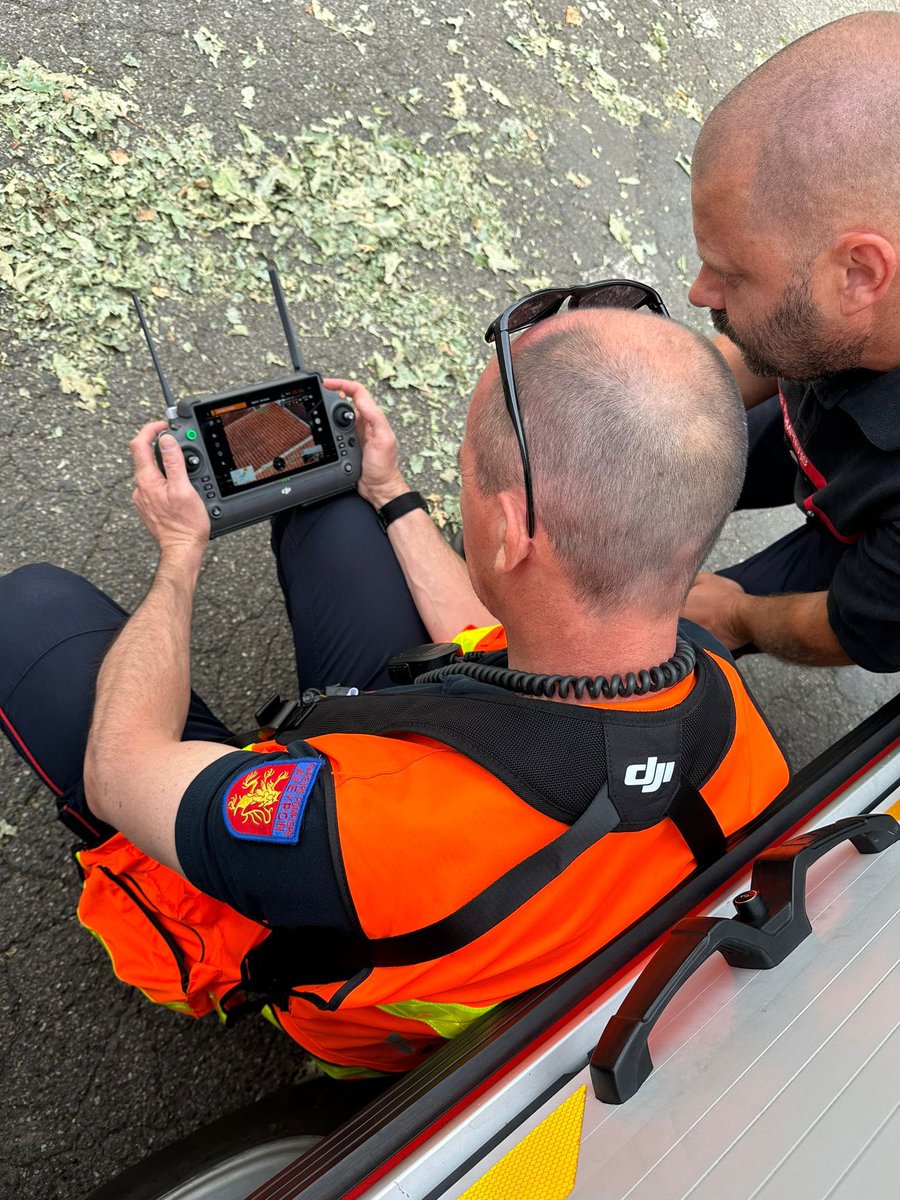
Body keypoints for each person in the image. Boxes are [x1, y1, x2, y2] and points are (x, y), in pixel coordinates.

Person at [0, 288, 789, 1077]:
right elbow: (494, 633)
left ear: (512, 531)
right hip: (470, 860)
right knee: (337, 509)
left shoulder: (349, 826)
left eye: (468, 473)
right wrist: (390, 492)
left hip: (344, 925)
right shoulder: (720, 700)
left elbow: (120, 772)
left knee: (30, 609)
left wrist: (178, 555)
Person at [681, 11, 900, 672]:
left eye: (732, 274)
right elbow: (766, 342)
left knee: (683, 633)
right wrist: (670, 401)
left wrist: (737, 612)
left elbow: (845, 625)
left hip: (866, 549)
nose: (699, 292)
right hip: (823, 421)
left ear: (860, 275)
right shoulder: (840, 310)